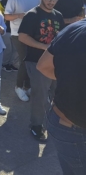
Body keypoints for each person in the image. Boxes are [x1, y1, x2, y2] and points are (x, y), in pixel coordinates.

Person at [37, 18, 86, 175]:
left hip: (63, 123)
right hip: (73, 129)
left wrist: (71, 80)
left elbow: (43, 66)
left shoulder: (72, 29)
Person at [18, 0, 64, 141]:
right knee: (41, 96)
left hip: (56, 63)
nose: (51, 2)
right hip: (36, 62)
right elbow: (22, 37)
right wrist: (45, 47)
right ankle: (36, 126)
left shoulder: (58, 15)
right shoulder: (32, 15)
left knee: (57, 94)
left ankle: (55, 124)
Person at [4, 0, 40, 102]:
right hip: (17, 34)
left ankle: (28, 86)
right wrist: (19, 15)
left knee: (33, 60)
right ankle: (19, 87)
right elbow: (7, 16)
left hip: (34, 34)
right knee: (25, 60)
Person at [0, 0, 18, 72]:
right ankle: (5, 63)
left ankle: (11, 63)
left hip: (16, 28)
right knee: (7, 48)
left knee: (15, 48)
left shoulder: (15, 1)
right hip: (6, 29)